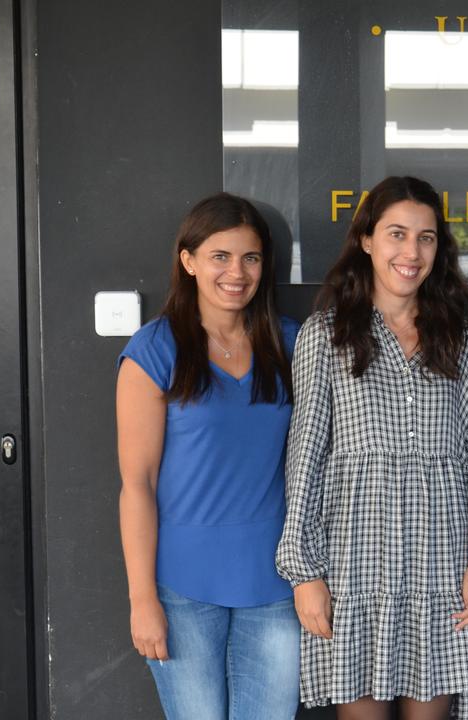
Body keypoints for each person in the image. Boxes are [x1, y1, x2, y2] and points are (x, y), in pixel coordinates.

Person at [275, 176, 468, 719]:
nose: (411, 252)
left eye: (426, 238)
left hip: (441, 566)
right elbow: (305, 454)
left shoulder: (461, 339)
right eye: (397, 234)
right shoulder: (324, 335)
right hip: (354, 565)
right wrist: (305, 573)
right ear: (367, 241)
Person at [117, 192, 301, 719]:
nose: (236, 273)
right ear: (189, 260)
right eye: (220, 256)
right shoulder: (155, 350)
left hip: (276, 583)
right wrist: (141, 600)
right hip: (182, 587)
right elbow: (137, 485)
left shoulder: (290, 344)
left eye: (251, 257)